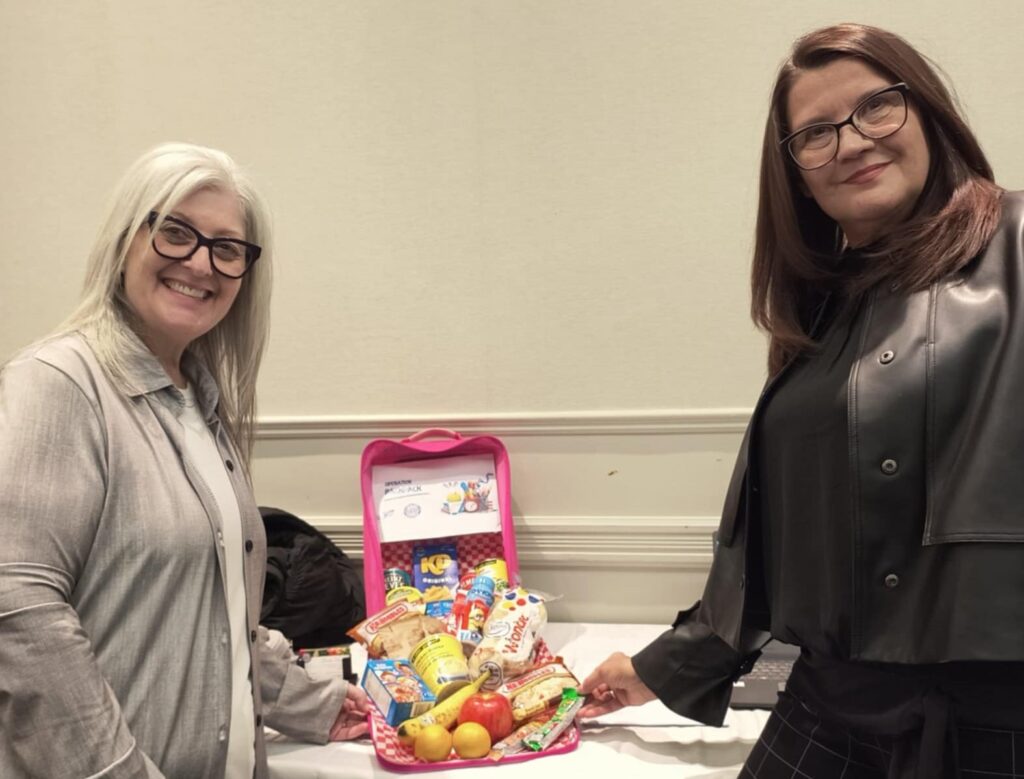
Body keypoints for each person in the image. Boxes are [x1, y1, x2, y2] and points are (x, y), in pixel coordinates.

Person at [579, 23, 1024, 778]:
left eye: (877, 106)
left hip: (994, 725)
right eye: (815, 133)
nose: (850, 143)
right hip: (828, 704)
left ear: (930, 113)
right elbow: (776, 539)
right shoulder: (826, 312)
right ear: (795, 173)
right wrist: (659, 664)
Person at [0, 143, 369, 779]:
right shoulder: (57, 383)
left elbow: (218, 614)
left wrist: (313, 703)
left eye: (227, 248)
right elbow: (20, 611)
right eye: (175, 233)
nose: (200, 263)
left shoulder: (201, 403)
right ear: (125, 239)